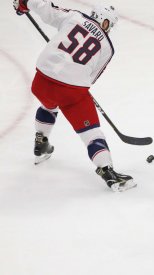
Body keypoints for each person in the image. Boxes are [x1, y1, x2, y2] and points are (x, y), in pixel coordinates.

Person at [13, 0, 136, 192]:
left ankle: (41, 142)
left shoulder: (74, 17)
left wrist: (25, 2)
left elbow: (47, 10)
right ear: (105, 23)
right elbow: (91, 77)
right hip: (70, 91)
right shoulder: (108, 48)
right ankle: (107, 170)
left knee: (49, 104)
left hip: (41, 82)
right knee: (91, 132)